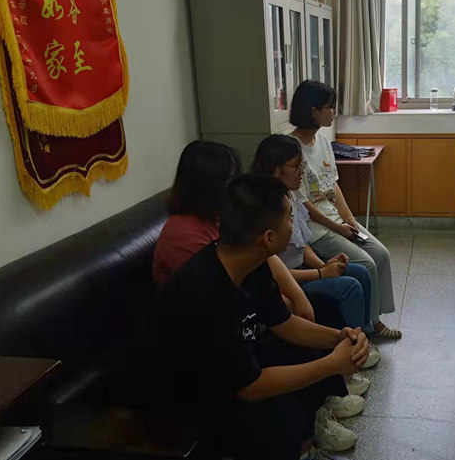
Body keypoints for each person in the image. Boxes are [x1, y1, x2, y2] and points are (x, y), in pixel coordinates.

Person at [155, 175, 371, 460]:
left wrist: (339, 337)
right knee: (280, 421)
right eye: (289, 218)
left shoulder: (251, 264)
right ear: (269, 238)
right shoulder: (206, 290)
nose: (293, 224)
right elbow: (250, 387)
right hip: (186, 399)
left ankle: (304, 452)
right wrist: (333, 364)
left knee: (306, 346)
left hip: (228, 373)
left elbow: (284, 323)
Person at [252, 134, 381, 372]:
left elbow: (302, 245)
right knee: (349, 285)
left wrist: (324, 265)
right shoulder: (265, 208)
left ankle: (362, 337)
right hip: (291, 281)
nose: (302, 172)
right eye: (296, 167)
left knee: (360, 272)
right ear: (275, 168)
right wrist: (321, 274)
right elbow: (274, 273)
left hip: (302, 271)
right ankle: (350, 355)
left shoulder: (289, 195)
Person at [153, 140, 316, 324]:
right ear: (208, 185)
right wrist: (287, 306)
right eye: (231, 180)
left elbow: (265, 257)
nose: (240, 186)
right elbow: (231, 291)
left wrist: (298, 297)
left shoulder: (222, 215)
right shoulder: (183, 235)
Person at [288, 80, 401, 340]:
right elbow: (303, 204)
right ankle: (370, 325)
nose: (334, 112)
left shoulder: (323, 141)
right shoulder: (291, 148)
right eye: (330, 107)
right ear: (313, 110)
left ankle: (376, 314)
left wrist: (349, 220)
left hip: (337, 220)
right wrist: (338, 228)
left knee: (381, 254)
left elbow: (334, 186)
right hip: (316, 229)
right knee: (366, 263)